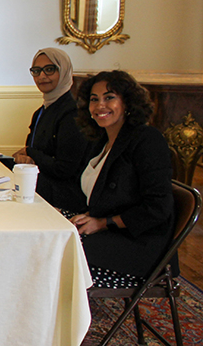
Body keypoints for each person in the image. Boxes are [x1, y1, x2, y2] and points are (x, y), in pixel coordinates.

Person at [68, 70, 175, 288]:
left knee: (53, 251)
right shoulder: (102, 141)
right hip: (111, 234)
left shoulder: (147, 140)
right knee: (51, 231)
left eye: (109, 97)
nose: (100, 106)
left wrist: (103, 223)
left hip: (140, 249)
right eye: (94, 99)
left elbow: (158, 208)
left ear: (127, 102)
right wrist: (90, 216)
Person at [12, 48, 88, 210]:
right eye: (36, 71)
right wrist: (26, 156)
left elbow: (63, 169)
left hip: (64, 196)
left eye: (49, 69)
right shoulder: (42, 111)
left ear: (64, 70)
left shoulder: (72, 113)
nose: (42, 76)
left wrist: (30, 153)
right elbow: (34, 151)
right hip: (41, 185)